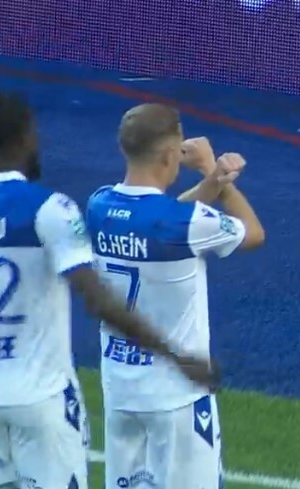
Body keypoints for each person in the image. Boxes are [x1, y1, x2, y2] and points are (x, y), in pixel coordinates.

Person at [0, 93, 216, 489]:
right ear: (24, 138)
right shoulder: (49, 209)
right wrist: (175, 355)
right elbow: (99, 302)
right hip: (42, 400)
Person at [87, 103, 265, 489]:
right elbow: (253, 233)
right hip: (177, 397)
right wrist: (215, 174)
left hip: (121, 392)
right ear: (171, 155)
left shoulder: (99, 206)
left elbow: (159, 219)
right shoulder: (182, 224)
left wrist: (212, 181)